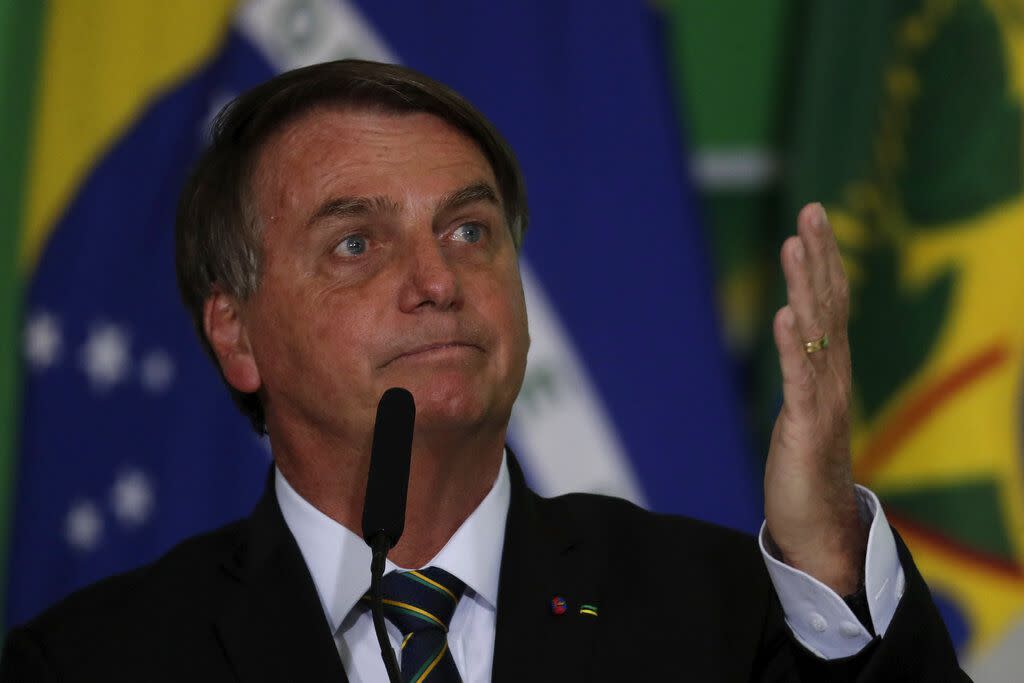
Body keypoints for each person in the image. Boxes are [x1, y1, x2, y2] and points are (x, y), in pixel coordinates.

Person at [0, 59, 966, 682]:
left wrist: (832, 550)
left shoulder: (727, 616)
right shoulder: (94, 662)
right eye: (355, 244)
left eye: (470, 230)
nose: (436, 280)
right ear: (236, 333)